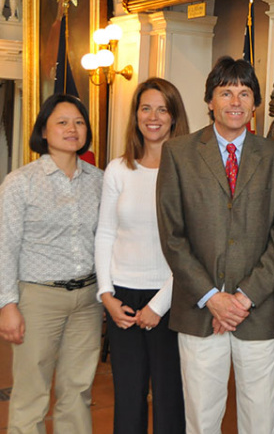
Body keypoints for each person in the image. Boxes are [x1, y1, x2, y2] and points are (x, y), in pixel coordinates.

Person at [156, 57, 274, 434]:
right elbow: (172, 236)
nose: (235, 101)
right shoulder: (178, 153)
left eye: (245, 93)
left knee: (262, 420)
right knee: (201, 419)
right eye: (226, 91)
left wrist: (243, 298)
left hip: (256, 311)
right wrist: (213, 297)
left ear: (255, 104)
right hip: (199, 312)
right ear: (209, 100)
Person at [0, 93, 103, 434]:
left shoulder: (100, 180)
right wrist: (7, 305)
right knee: (31, 394)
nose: (72, 129)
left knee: (77, 392)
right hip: (38, 299)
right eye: (62, 122)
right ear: (44, 130)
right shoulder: (20, 182)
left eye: (79, 122)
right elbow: (5, 247)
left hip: (87, 301)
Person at [95, 78, 189, 434]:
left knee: (170, 400)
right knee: (128, 397)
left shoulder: (186, 171)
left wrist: (159, 305)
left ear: (174, 116)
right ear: (135, 115)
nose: (153, 117)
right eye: (145, 108)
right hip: (122, 299)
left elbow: (189, 246)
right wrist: (107, 296)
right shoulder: (119, 169)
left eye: (162, 109)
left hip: (171, 299)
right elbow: (105, 233)